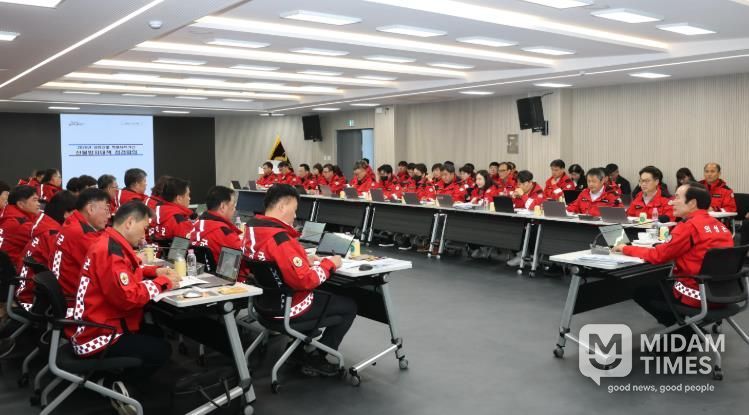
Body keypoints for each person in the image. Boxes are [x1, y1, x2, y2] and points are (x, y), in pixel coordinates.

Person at [244, 184, 355, 376]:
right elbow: (305, 281)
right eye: (294, 210)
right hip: (289, 308)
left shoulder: (251, 231)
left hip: (262, 305)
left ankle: (300, 348)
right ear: (282, 207)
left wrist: (303, 258)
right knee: (349, 306)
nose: (295, 216)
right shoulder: (281, 239)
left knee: (326, 296)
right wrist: (330, 263)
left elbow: (271, 261)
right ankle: (317, 357)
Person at [70, 201, 179, 389]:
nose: (144, 235)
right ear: (129, 223)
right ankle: (118, 386)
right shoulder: (110, 251)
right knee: (162, 349)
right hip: (97, 335)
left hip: (95, 324)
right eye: (144, 228)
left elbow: (127, 271)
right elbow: (128, 298)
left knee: (155, 332)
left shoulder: (108, 242)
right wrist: (163, 282)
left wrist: (154, 272)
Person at [613, 183, 733, 332]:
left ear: (692, 203)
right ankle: (689, 328)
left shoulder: (688, 226)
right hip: (724, 293)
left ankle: (686, 333)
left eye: (677, 197)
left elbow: (658, 256)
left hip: (697, 295)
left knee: (642, 291)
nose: (671, 202)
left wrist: (625, 248)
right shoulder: (721, 227)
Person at [15, 191, 77, 311]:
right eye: (76, 214)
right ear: (66, 214)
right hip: (30, 298)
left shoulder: (46, 227)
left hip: (27, 291)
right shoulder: (53, 235)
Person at [52, 188, 111, 301]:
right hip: (75, 300)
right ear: (90, 209)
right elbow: (109, 267)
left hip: (65, 292)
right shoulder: (81, 233)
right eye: (106, 209)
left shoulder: (73, 223)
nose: (108, 216)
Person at [188, 186, 243, 269]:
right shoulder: (225, 233)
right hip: (220, 276)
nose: (234, 209)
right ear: (223, 206)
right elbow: (241, 262)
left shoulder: (195, 225)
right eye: (233, 205)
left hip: (198, 272)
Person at [0, 185, 40, 267]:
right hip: (11, 270)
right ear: (20, 204)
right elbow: (46, 244)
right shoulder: (20, 224)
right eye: (34, 200)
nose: (38, 204)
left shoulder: (8, 213)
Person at [149, 177, 194, 243]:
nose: (189, 198)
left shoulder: (153, 214)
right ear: (179, 198)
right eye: (188, 195)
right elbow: (185, 246)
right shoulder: (180, 221)